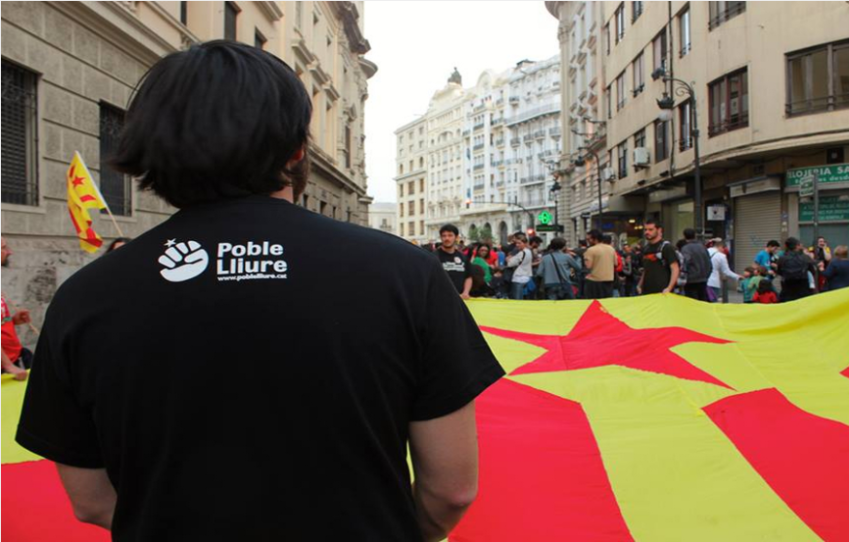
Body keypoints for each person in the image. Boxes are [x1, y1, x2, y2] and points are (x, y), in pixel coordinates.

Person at [15, 41, 504, 542]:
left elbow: (90, 500)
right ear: (296, 151)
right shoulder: (405, 273)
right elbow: (452, 490)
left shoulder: (86, 296)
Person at [1, 237, 31, 381]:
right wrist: (8, 366)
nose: (9, 252)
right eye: (3, 248)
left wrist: (12, 321)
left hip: (15, 358)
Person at [638, 220, 680, 295]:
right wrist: (639, 285)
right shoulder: (645, 248)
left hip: (662, 292)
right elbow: (646, 269)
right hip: (646, 292)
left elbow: (675, 268)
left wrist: (669, 288)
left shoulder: (667, 247)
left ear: (659, 230)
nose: (647, 232)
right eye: (645, 230)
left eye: (650, 229)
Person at [436, 224, 474, 299]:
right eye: (444, 236)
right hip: (439, 299)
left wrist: (465, 292)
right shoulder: (433, 257)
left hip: (460, 299)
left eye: (450, 235)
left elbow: (468, 277)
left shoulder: (463, 257)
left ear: (456, 237)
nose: (447, 238)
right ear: (441, 238)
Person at [776, 237, 816, 302]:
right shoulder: (805, 257)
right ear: (797, 246)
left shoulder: (782, 258)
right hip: (803, 289)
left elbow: (779, 272)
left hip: (788, 290)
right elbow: (812, 271)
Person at [679, 228, 713, 302]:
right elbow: (709, 262)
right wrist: (707, 275)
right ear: (695, 235)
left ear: (684, 236)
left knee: (692, 303)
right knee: (702, 301)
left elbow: (684, 263)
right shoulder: (702, 247)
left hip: (691, 280)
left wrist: (682, 277)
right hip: (703, 279)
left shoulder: (686, 248)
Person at [582, 229, 615, 299]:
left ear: (595, 239)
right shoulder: (611, 249)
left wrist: (585, 258)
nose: (587, 241)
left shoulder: (591, 250)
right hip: (609, 280)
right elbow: (615, 263)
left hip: (595, 281)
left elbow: (588, 266)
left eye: (589, 239)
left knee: (594, 304)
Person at [507, 234, 534, 300]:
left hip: (519, 278)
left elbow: (510, 264)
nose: (517, 245)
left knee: (517, 299)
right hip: (526, 277)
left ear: (525, 243)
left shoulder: (522, 253)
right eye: (516, 243)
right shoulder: (528, 251)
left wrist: (508, 259)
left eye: (519, 243)